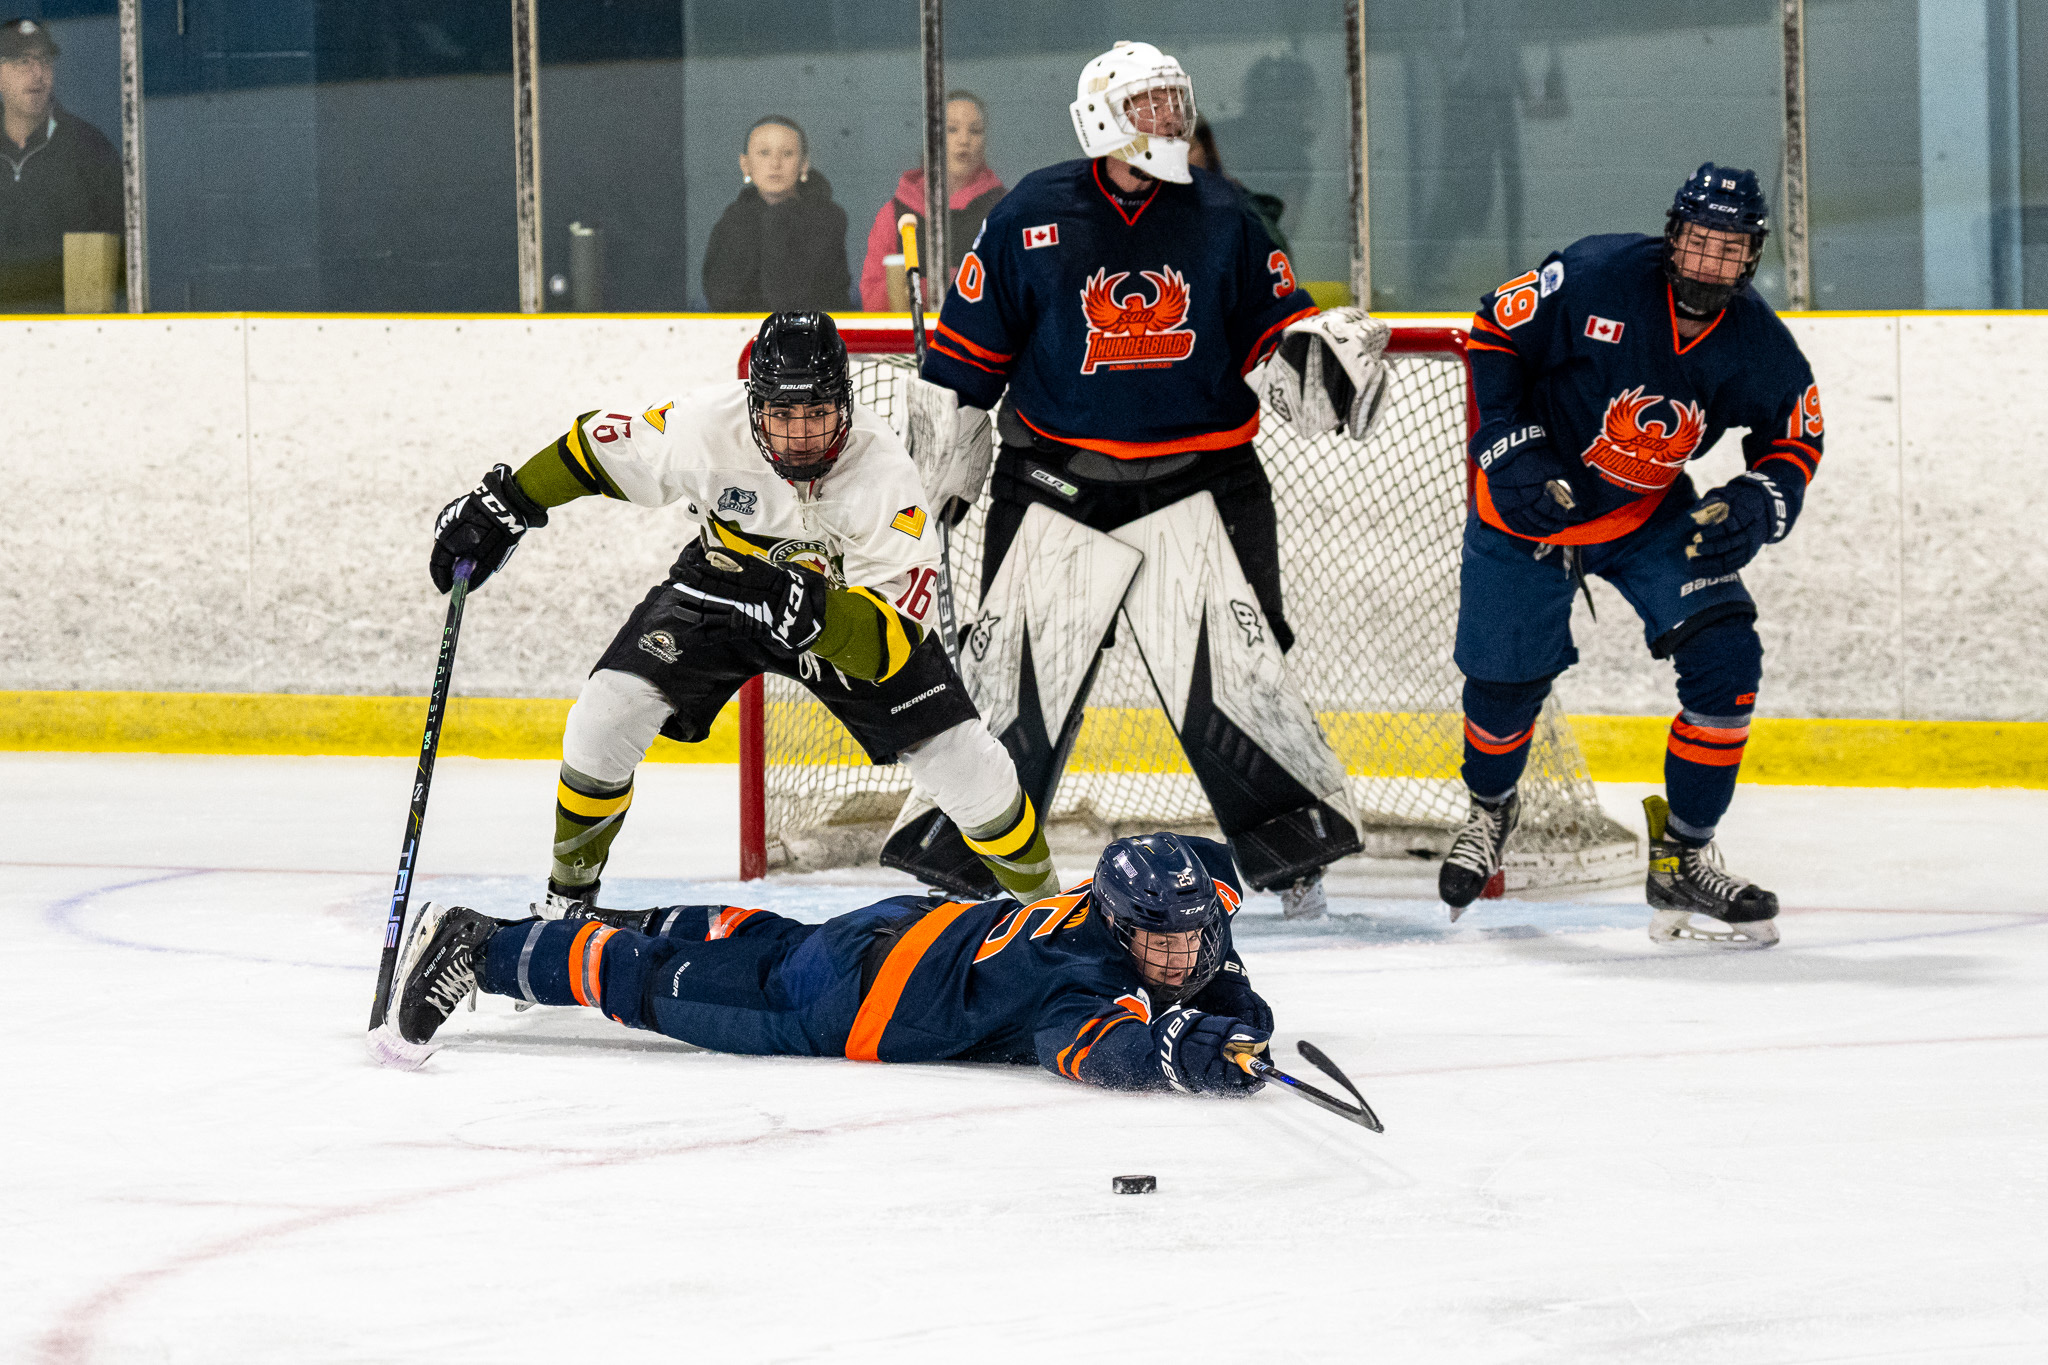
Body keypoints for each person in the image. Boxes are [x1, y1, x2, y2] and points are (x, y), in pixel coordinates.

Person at [889, 40, 1393, 920]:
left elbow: (1276, 340)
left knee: (1241, 669)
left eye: (1174, 101)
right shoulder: (1029, 214)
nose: (1169, 118)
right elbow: (965, 367)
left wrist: (1316, 364)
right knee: (1012, 675)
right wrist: (932, 497)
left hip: (1205, 478)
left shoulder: (1225, 213)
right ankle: (968, 856)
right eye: (1149, 104)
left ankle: (1292, 856)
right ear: (1102, 119)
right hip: (1055, 479)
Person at [424, 312, 1062, 918]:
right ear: (753, 405)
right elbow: (593, 449)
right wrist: (506, 502)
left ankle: (1055, 915)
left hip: (846, 610)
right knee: (605, 714)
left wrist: (811, 613)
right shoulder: (706, 424)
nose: (801, 432)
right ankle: (567, 901)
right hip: (724, 584)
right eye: (782, 413)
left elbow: (887, 645)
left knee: (969, 764)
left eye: (818, 412)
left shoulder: (886, 476)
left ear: (847, 404)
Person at [1438, 163, 1824, 949]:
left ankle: (1683, 852)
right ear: (1673, 235)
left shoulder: (1754, 340)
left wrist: (1759, 499)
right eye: (1698, 242)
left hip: (1646, 512)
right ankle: (1490, 810)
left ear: (1750, 258)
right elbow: (1495, 334)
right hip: (1526, 508)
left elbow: (1795, 433)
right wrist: (1509, 449)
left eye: (1730, 250)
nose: (1710, 262)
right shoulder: (1595, 272)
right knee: (1504, 688)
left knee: (1726, 656)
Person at [371, 829, 1275, 1103]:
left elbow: (1209, 880)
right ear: (1115, 926)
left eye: (1189, 936)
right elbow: (1102, 1049)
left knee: (767, 940)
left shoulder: (1158, 900)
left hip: (905, 930)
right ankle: (481, 946)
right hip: (852, 1002)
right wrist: (1183, 1056)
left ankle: (605, 917)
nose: (1174, 953)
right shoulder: (1077, 983)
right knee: (660, 986)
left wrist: (1230, 1000)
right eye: (1153, 940)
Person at [0, 18, 120, 313]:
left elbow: (110, 255)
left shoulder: (89, 149)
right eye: (22, 61)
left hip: (65, 340)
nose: (37, 73)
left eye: (44, 61)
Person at [857, 90, 1006, 311]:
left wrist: (921, 289)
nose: (964, 140)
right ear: (931, 138)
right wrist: (940, 288)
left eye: (975, 131)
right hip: (910, 343)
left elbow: (1015, 291)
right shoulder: (895, 213)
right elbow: (871, 300)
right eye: (951, 129)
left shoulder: (1004, 209)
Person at [701, 115, 850, 311]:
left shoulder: (826, 221)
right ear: (745, 164)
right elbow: (720, 298)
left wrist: (777, 221)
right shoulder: (732, 224)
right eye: (764, 153)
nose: (775, 164)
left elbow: (823, 297)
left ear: (803, 164)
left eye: (787, 154)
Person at [1187, 116, 1288, 255]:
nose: (1174, 161)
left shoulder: (1250, 227)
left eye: (1185, 148)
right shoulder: (1156, 218)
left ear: (1207, 150)